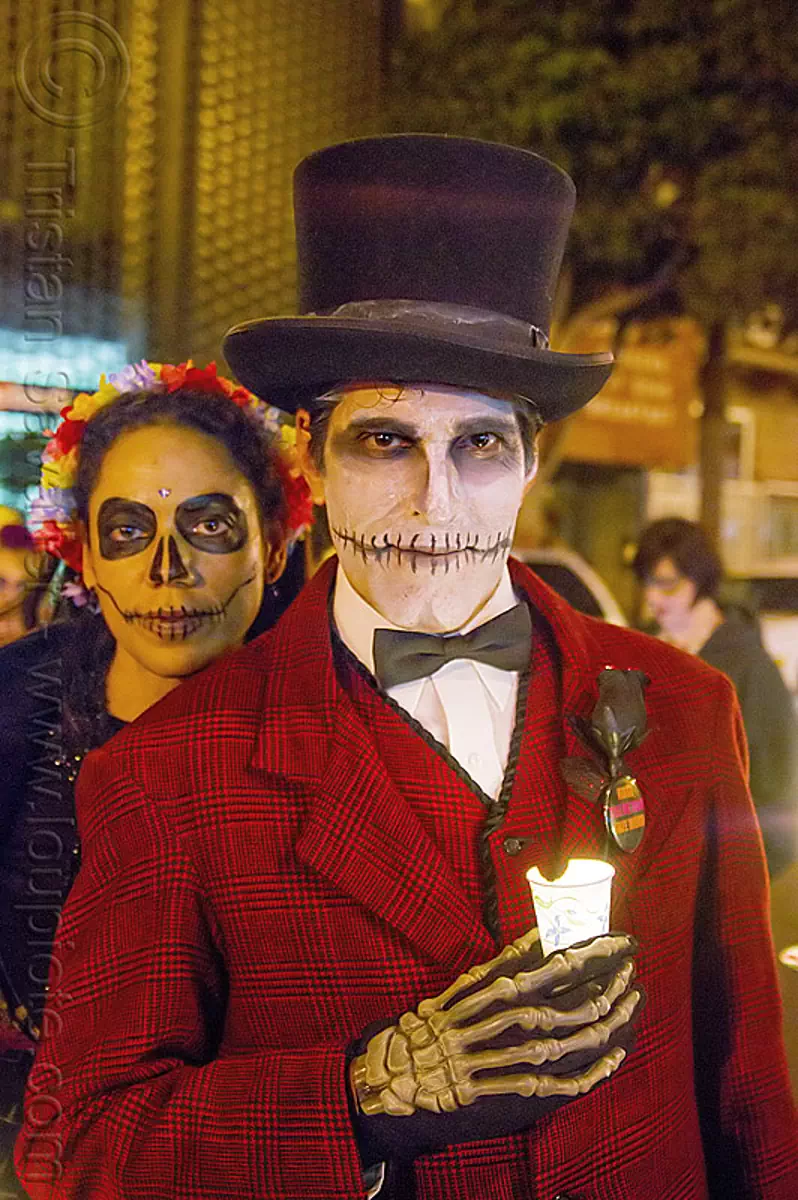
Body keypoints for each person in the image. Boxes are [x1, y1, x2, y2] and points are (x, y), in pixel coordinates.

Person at [16, 137, 798, 1199]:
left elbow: (747, 1098)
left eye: (477, 446)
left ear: (529, 464)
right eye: (385, 442)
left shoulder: (688, 710)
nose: (434, 503)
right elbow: (78, 1146)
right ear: (313, 461)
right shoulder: (168, 774)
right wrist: (363, 1101)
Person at [0, 359, 311, 1197]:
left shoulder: (332, 736)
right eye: (129, 533)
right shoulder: (14, 712)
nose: (166, 571)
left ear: (274, 546)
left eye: (209, 527)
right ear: (86, 559)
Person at [633, 516, 798, 876]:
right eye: (647, 583)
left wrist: (751, 866)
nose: (652, 597)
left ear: (699, 582)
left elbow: (774, 777)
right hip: (651, 856)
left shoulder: (747, 665)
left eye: (667, 585)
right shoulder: (643, 649)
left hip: (723, 862)